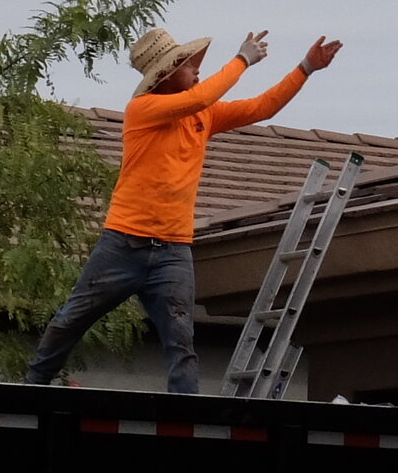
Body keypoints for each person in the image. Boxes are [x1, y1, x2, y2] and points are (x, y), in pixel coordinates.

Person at [24, 25, 342, 391]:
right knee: (72, 318)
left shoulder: (200, 114)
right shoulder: (144, 109)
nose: (197, 70)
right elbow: (201, 97)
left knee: (181, 341)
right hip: (124, 242)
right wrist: (242, 60)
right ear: (166, 73)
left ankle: (186, 418)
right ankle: (34, 384)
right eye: (190, 65)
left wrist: (305, 67)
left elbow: (260, 107)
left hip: (173, 249)